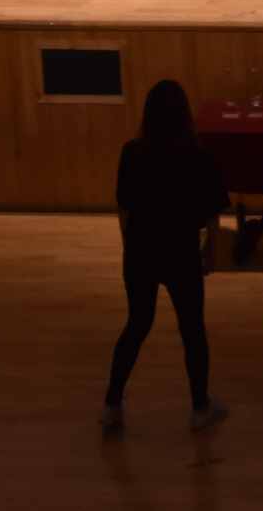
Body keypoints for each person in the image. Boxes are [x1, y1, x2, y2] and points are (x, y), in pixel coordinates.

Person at [101, 80, 232, 434]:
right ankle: (200, 407)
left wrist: (129, 247)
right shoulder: (198, 156)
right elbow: (212, 211)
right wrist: (211, 248)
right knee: (192, 331)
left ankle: (112, 405)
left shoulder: (132, 152)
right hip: (180, 253)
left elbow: (124, 207)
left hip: (141, 252)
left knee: (136, 325)